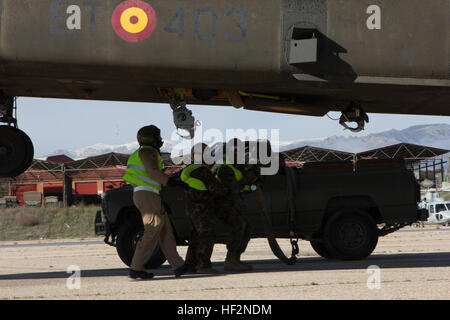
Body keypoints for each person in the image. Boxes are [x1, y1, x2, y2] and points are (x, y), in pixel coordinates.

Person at [123, 125, 189, 280]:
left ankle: (178, 265)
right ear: (149, 138)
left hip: (150, 194)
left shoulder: (144, 152)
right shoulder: (148, 151)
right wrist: (172, 182)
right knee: (153, 229)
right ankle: (136, 268)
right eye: (157, 137)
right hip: (147, 195)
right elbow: (153, 172)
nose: (160, 140)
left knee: (166, 231)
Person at [181, 143, 228, 274]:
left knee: (195, 236)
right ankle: (203, 265)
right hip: (202, 208)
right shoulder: (202, 170)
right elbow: (216, 189)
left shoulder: (189, 168)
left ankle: (190, 265)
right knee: (206, 235)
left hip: (191, 207)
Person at [214, 139, 259, 272]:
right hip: (223, 205)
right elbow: (234, 188)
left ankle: (236, 258)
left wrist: (252, 178)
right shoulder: (225, 168)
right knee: (239, 225)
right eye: (236, 151)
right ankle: (230, 260)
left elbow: (243, 186)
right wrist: (247, 178)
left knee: (246, 227)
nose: (239, 154)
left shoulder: (236, 168)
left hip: (234, 204)